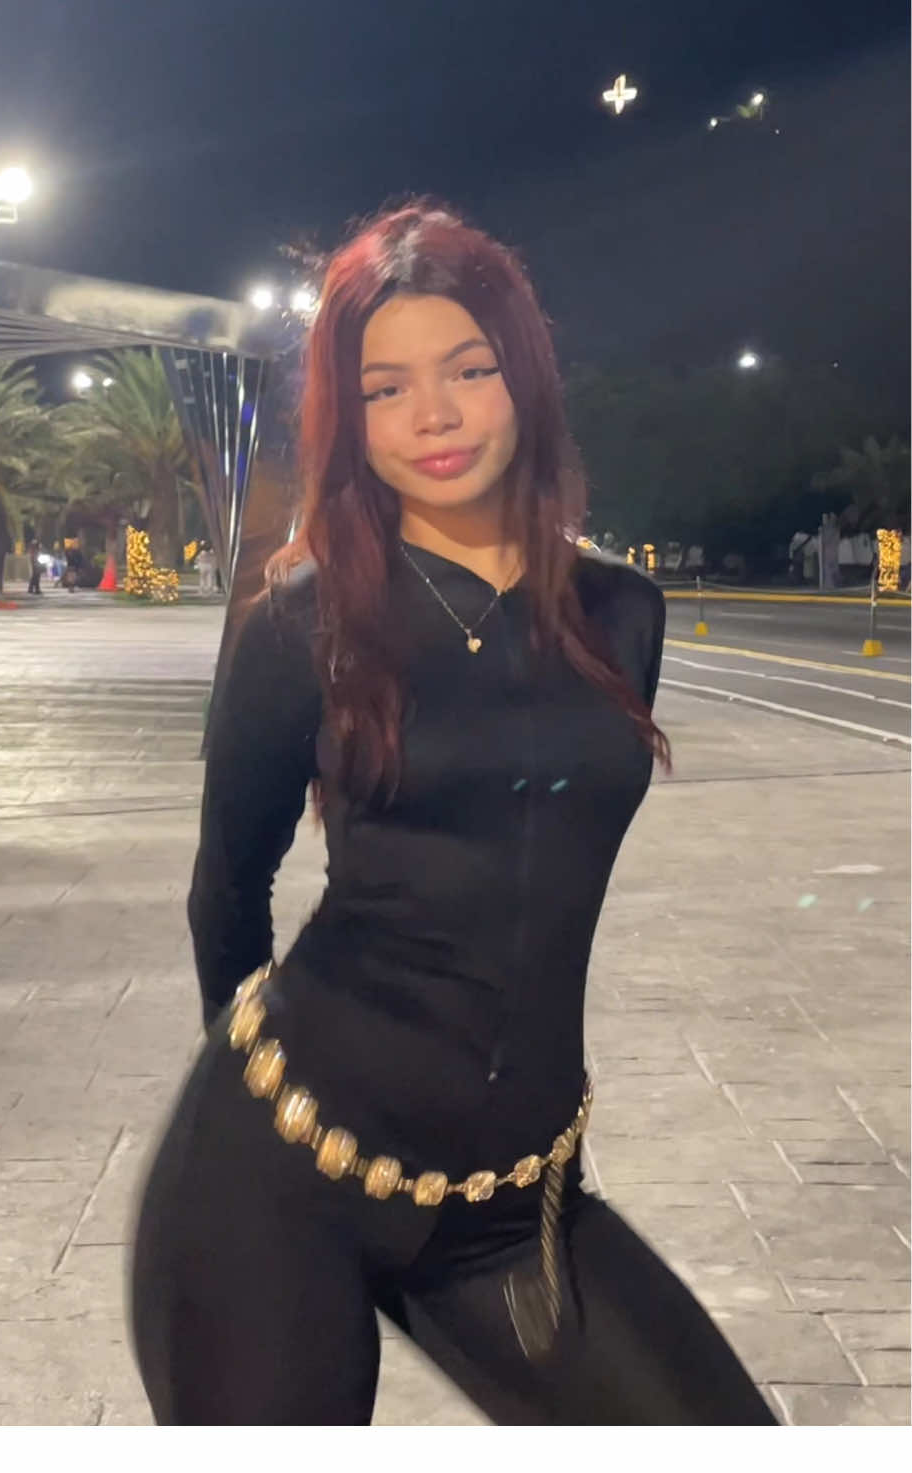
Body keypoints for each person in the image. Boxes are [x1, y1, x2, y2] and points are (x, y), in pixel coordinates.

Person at [129, 203, 777, 1427]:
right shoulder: (300, 626)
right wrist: (267, 1098)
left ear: (523, 375)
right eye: (385, 389)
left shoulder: (620, 618)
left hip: (514, 1207)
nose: (432, 416)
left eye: (468, 371)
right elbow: (226, 889)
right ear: (349, 416)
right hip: (278, 1178)